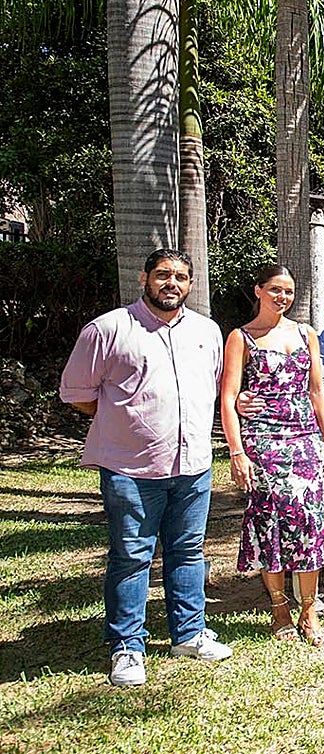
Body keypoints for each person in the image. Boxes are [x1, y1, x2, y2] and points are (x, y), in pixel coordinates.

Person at [60, 249, 233, 687]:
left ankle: (189, 633)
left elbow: (212, 388)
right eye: (163, 275)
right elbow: (79, 395)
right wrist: (128, 424)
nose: (171, 283)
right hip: (130, 469)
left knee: (188, 551)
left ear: (190, 284)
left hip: (193, 463)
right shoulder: (109, 329)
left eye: (180, 276)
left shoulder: (206, 332)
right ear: (145, 278)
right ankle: (127, 647)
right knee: (132, 556)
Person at [221, 264, 324, 647]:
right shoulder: (241, 337)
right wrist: (237, 451)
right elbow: (228, 397)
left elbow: (316, 390)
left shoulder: (306, 333)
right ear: (258, 290)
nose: (282, 297)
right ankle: (279, 609)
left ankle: (309, 609)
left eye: (288, 291)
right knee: (271, 521)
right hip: (263, 438)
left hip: (303, 437)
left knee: (309, 520)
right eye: (274, 290)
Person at [238, 294, 324, 614]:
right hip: (313, 446)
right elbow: (281, 385)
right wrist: (244, 398)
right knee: (310, 522)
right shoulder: (307, 345)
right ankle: (305, 597)